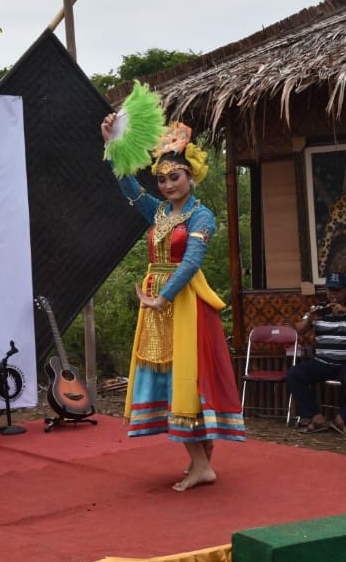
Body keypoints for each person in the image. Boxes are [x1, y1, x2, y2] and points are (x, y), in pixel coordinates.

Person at [101, 114, 246, 492]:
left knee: (185, 379)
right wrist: (114, 146)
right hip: (158, 304)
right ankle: (201, 461)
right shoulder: (161, 212)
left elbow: (192, 261)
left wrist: (160, 298)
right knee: (171, 378)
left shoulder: (202, 215)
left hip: (184, 307)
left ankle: (201, 465)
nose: (167, 185)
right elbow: (130, 190)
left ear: (191, 176)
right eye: (162, 179)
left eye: (174, 177)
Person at [287, 271, 346, 436]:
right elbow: (299, 330)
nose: (333, 294)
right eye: (330, 290)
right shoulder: (319, 308)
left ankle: (341, 420)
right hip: (324, 362)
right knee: (294, 373)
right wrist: (310, 319)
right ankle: (316, 418)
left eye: (337, 290)